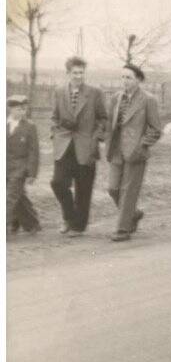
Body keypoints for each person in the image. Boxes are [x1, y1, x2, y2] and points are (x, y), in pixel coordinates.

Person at [50, 56, 108, 237]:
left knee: (84, 189)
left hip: (86, 146)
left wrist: (96, 137)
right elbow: (54, 117)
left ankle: (78, 227)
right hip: (64, 146)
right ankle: (69, 217)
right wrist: (55, 134)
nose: (78, 76)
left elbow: (103, 118)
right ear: (68, 73)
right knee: (57, 182)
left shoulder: (94, 93)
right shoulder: (59, 92)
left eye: (81, 72)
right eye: (75, 72)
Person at [105, 64, 162, 242]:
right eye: (122, 77)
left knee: (128, 191)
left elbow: (155, 129)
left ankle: (123, 229)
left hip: (135, 152)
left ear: (138, 79)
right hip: (116, 151)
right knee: (113, 188)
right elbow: (110, 124)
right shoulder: (116, 98)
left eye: (129, 78)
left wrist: (142, 145)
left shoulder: (148, 99)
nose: (125, 81)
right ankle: (133, 214)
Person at [7, 95, 41, 235]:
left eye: (24, 109)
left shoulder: (29, 127)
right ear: (10, 109)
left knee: (10, 196)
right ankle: (32, 223)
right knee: (19, 196)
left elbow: (34, 151)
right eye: (18, 109)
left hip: (20, 167)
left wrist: (32, 173)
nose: (21, 112)